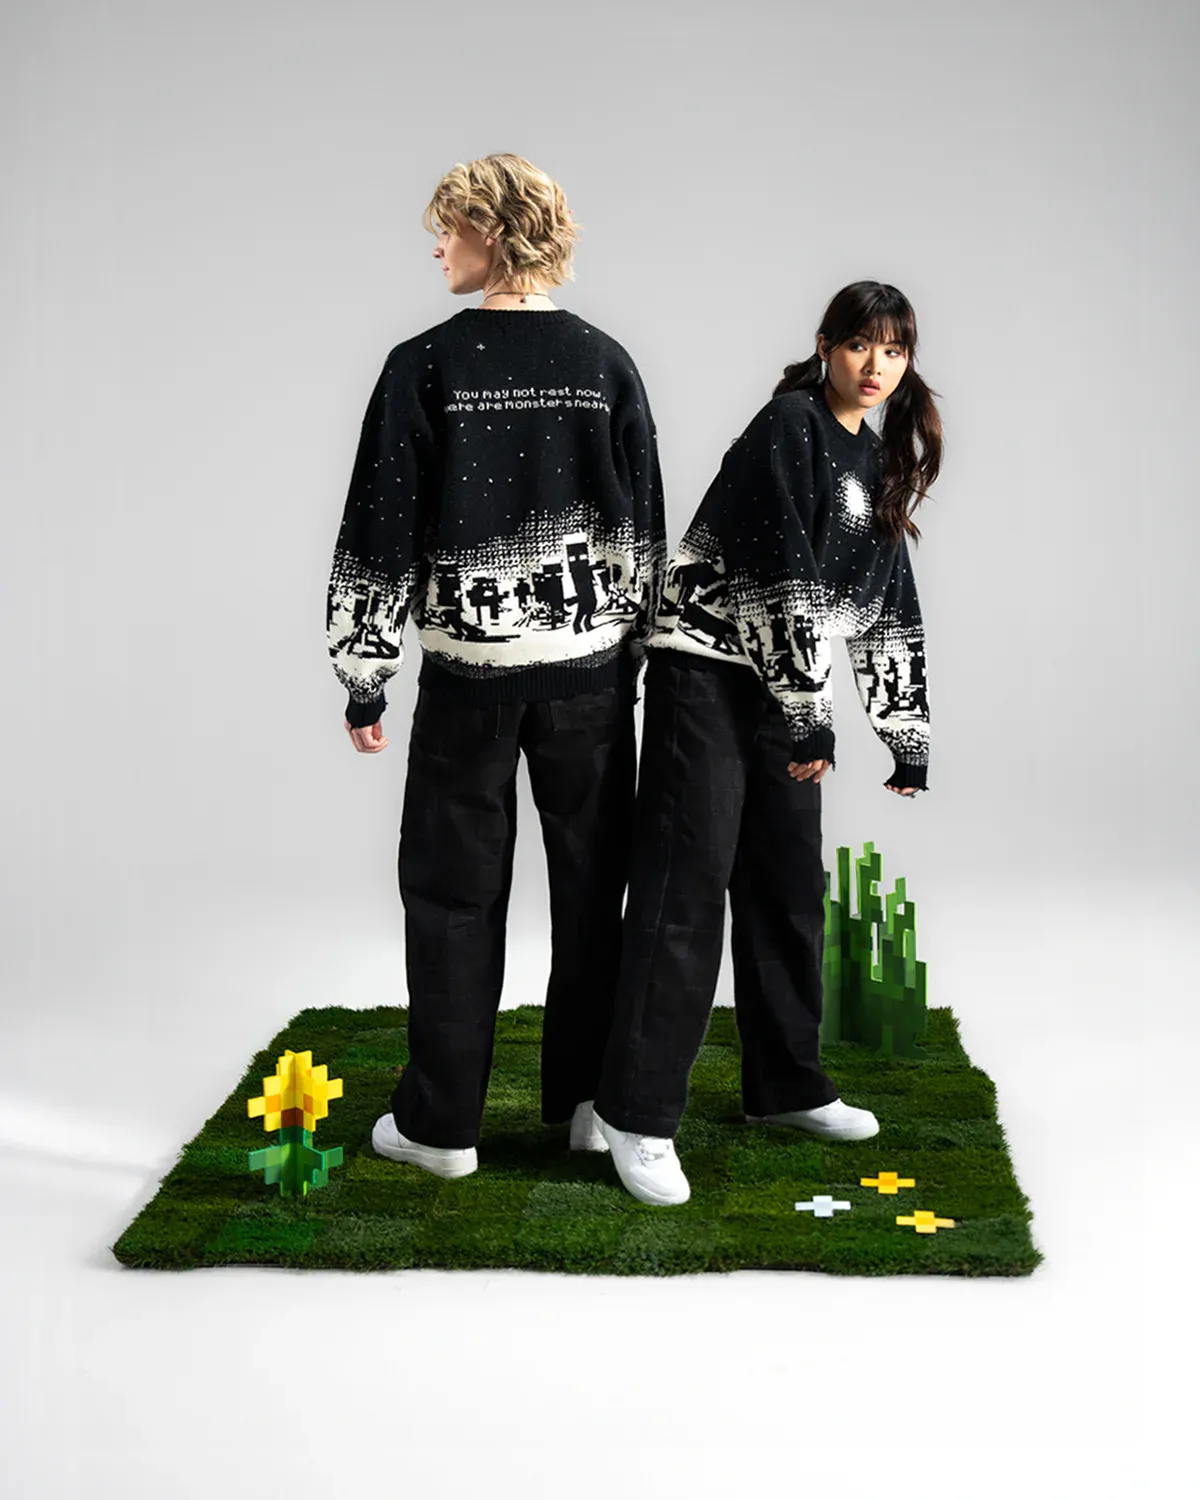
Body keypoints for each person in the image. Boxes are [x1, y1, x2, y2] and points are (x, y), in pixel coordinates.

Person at [326, 154, 665, 1180]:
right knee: (595, 893)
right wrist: (635, 655)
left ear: (492, 230)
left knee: (450, 896)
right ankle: (593, 1109)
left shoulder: (422, 365)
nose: (436, 246)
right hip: (590, 680)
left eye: (449, 226)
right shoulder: (605, 362)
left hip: (466, 685)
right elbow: (642, 536)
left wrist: (366, 672)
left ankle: (441, 1131)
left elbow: (379, 530)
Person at [592, 281, 942, 1206]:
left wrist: (905, 734)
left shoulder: (877, 461)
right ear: (825, 346)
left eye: (894, 351)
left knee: (787, 887)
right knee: (684, 890)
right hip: (705, 675)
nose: (875, 366)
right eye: (860, 345)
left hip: (787, 690)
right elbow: (779, 579)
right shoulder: (789, 426)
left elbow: (887, 607)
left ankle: (786, 1087)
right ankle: (637, 1116)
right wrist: (811, 713)